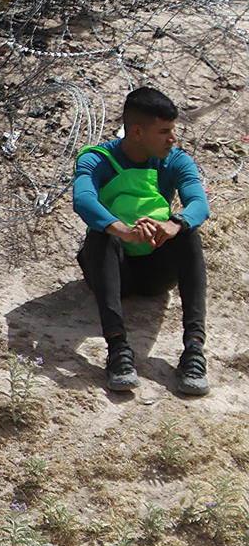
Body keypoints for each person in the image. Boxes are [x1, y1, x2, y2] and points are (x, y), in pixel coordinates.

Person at [73, 86, 211, 395]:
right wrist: (121, 229)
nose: (172, 139)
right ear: (137, 131)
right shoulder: (98, 159)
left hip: (154, 273)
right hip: (111, 268)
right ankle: (118, 350)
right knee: (100, 234)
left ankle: (194, 350)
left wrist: (174, 224)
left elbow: (199, 203)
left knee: (189, 233)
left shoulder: (175, 161)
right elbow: (82, 199)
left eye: (172, 130)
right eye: (164, 131)